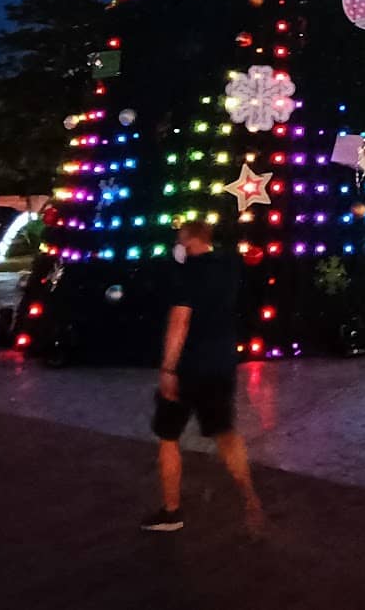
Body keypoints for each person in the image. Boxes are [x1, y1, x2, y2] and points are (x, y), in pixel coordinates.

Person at [142, 220, 263, 535]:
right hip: (221, 364)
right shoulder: (228, 266)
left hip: (188, 368)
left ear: (189, 240)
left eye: (181, 240)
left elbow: (179, 322)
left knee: (169, 438)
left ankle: (171, 512)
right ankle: (250, 498)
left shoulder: (187, 274)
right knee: (226, 434)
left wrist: (168, 369)